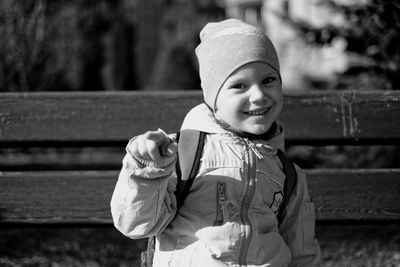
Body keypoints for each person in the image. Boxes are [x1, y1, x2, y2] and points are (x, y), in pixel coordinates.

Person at [110, 18, 321, 266]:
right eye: (239, 85)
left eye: (268, 80)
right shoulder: (180, 154)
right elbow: (136, 224)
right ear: (214, 98)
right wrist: (147, 169)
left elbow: (302, 251)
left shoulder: (288, 174)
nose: (259, 95)